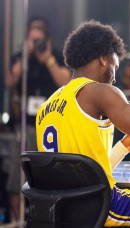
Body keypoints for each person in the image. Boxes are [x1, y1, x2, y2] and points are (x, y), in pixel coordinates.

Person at [35, 20, 130, 227]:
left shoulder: (47, 107)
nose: (115, 78)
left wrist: (123, 148)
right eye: (115, 66)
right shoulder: (98, 91)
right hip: (101, 206)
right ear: (103, 59)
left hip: (63, 212)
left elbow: (81, 174)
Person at [4, 17, 71, 223]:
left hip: (49, 128)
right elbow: (9, 82)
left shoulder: (57, 57)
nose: (36, 45)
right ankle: (17, 221)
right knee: (17, 179)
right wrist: (25, 56)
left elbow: (66, 81)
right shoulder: (22, 59)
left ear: (47, 40)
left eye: (39, 40)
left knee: (47, 179)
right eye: (32, 40)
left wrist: (47, 58)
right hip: (24, 126)